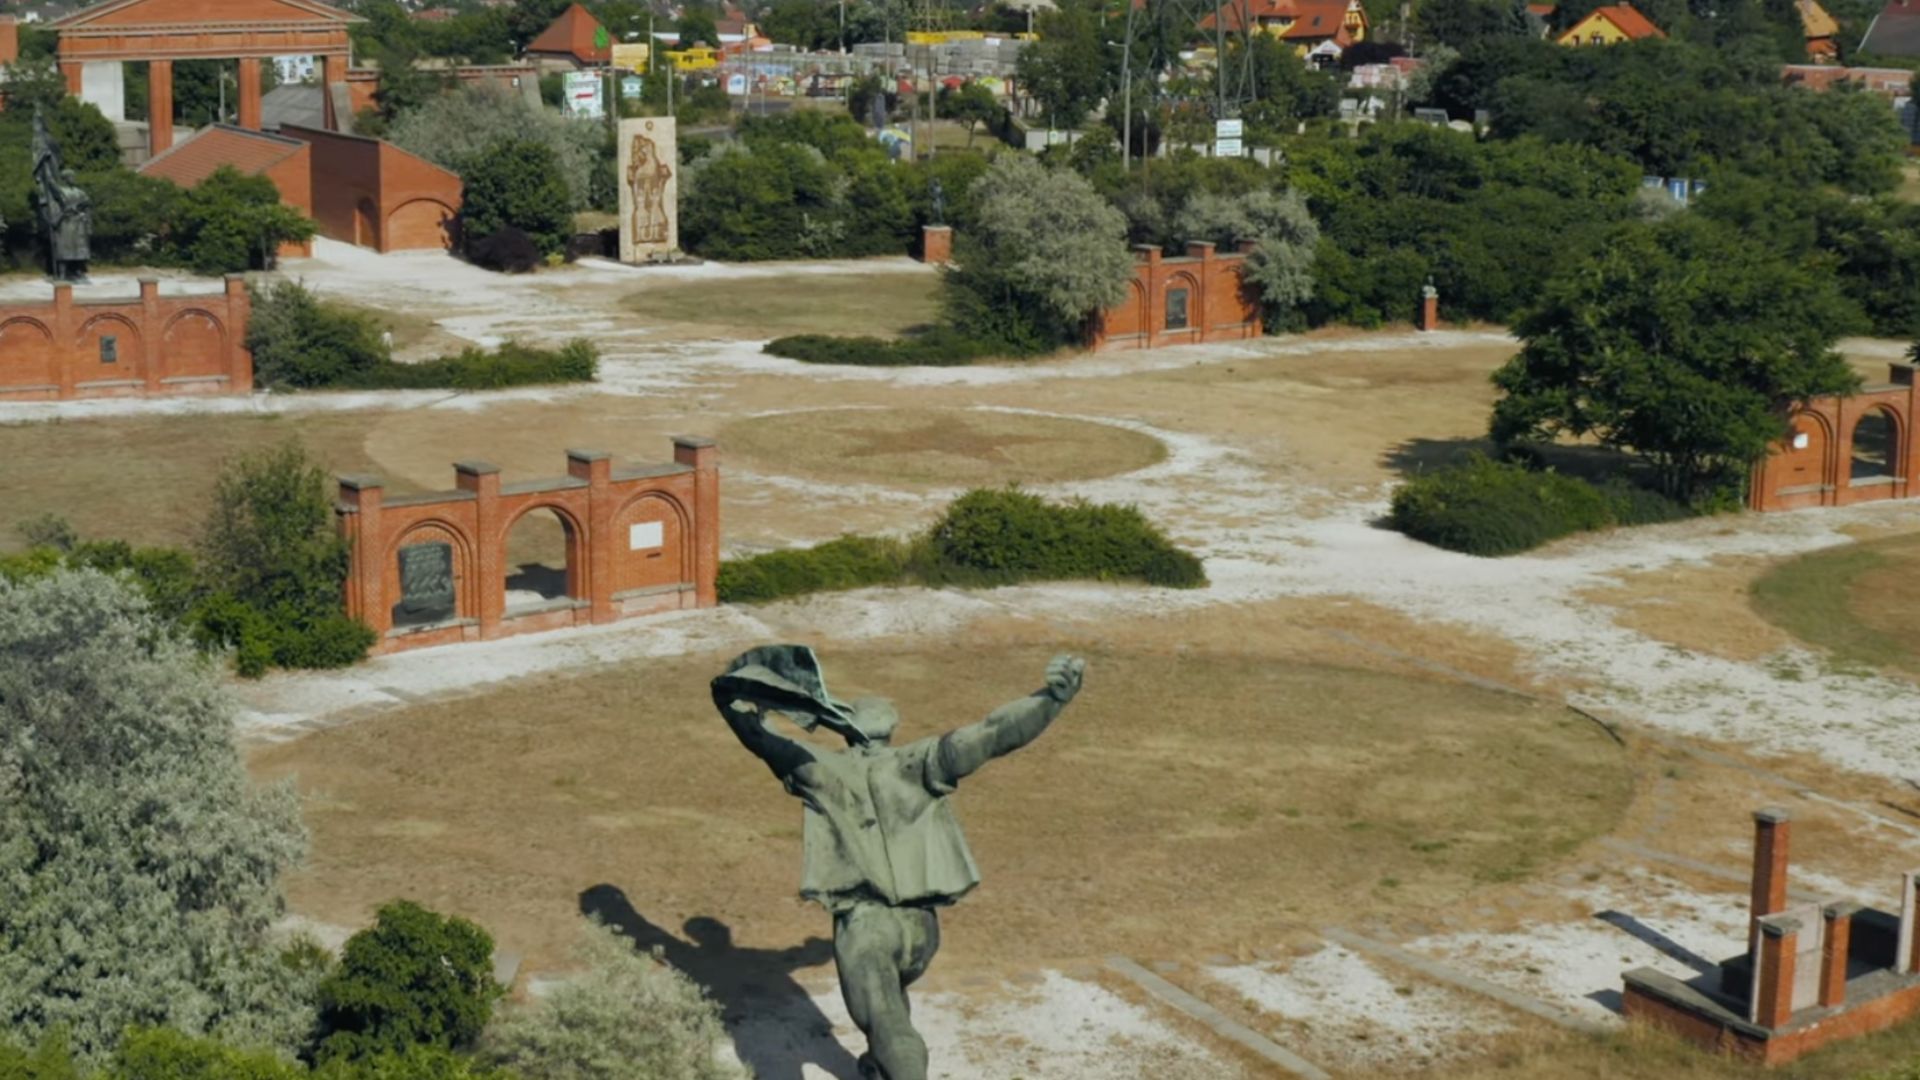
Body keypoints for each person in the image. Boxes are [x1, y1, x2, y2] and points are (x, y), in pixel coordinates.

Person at [711, 645, 1086, 1080]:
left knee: (887, 1020)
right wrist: (1052, 699)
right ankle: (879, 1067)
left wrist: (731, 701)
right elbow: (994, 732)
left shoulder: (820, 770)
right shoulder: (922, 762)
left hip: (868, 925)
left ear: (847, 728)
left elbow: (759, 737)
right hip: (921, 931)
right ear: (890, 729)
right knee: (890, 1005)